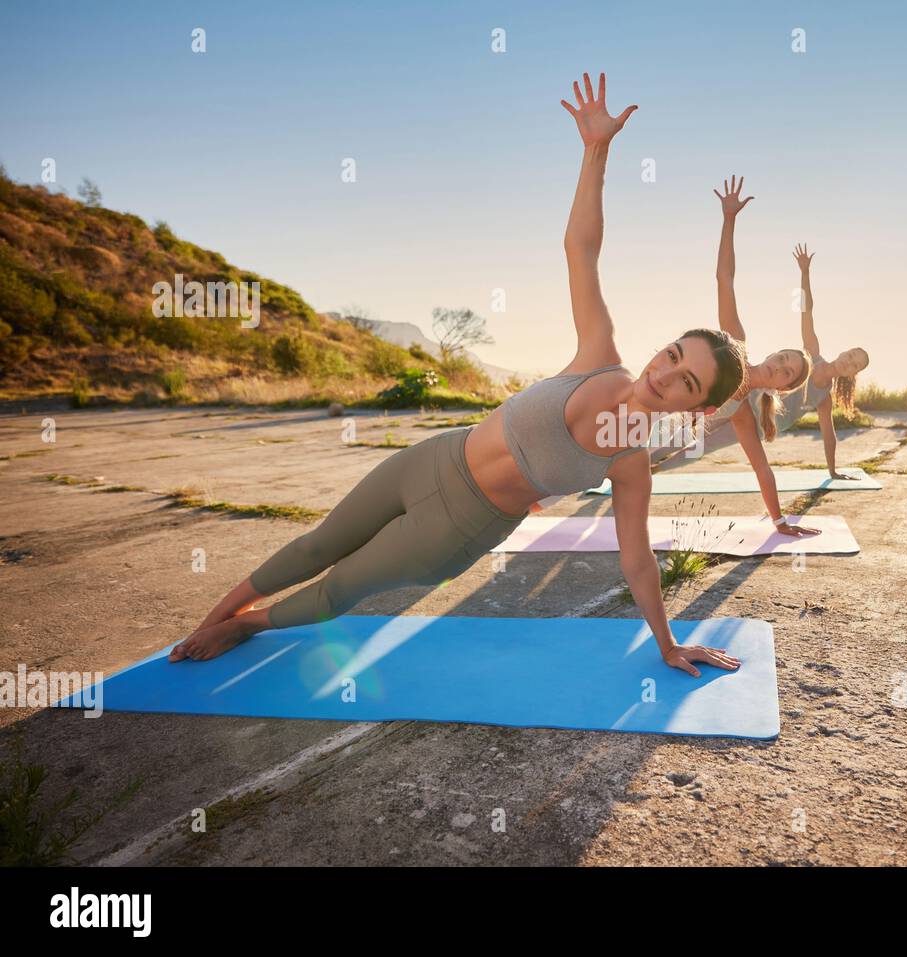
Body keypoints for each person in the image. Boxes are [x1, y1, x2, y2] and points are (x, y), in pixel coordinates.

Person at [169, 73, 743, 679]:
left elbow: (637, 561)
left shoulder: (629, 461)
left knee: (339, 589)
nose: (666, 373)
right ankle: (212, 619)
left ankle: (243, 627)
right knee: (316, 545)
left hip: (461, 527)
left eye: (687, 382)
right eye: (674, 354)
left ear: (696, 409)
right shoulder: (597, 354)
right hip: (432, 460)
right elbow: (581, 248)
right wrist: (596, 150)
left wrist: (668, 644)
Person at [652, 237, 870, 482]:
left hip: (755, 426)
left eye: (855, 365)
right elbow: (806, 311)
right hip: (743, 399)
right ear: (843, 352)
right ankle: (643, 461)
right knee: (689, 432)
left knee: (702, 447)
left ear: (852, 374)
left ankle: (654, 471)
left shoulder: (824, 397)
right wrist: (805, 274)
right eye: (851, 355)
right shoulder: (811, 355)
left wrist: (832, 471)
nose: (848, 361)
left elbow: (829, 435)